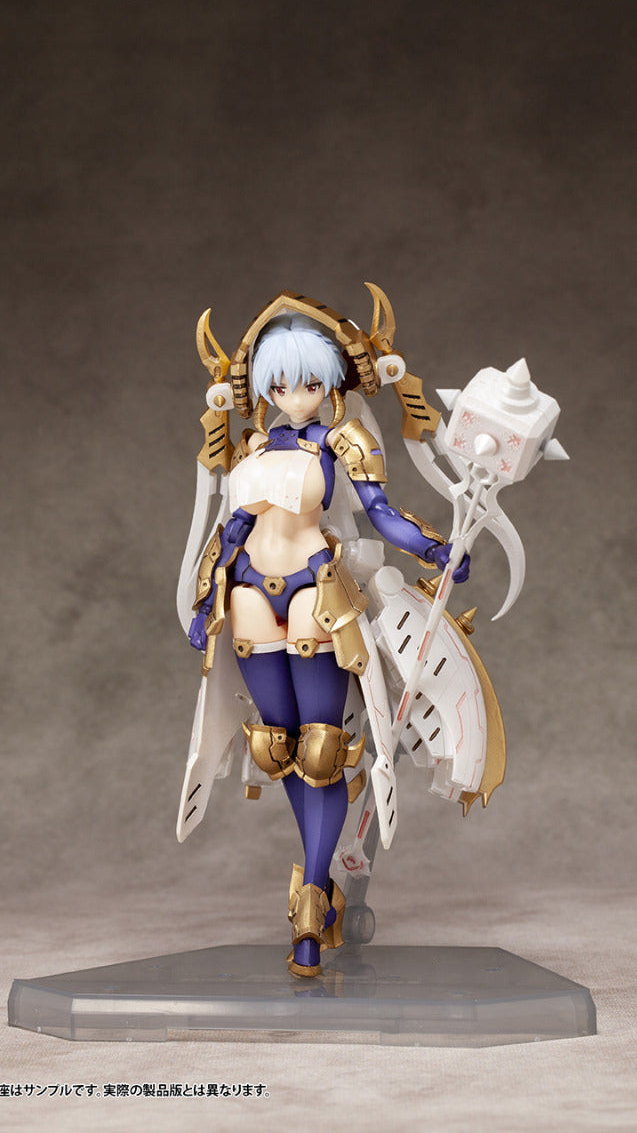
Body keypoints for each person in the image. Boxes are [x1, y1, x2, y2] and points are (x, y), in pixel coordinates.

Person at [188, 310, 469, 977]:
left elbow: (381, 514)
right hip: (248, 593)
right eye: (281, 385)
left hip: (314, 590)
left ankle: (312, 900)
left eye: (309, 384)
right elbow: (231, 530)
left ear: (330, 384)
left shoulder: (344, 441)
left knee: (323, 751)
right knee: (277, 748)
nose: (295, 396)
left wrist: (434, 548)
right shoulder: (254, 447)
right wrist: (205, 601)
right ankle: (316, 882)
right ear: (264, 388)